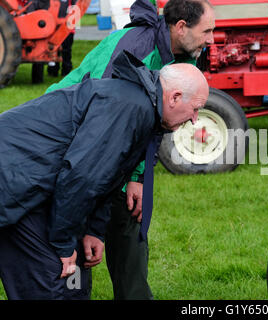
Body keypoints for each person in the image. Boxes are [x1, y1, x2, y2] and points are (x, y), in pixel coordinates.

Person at [0, 50, 209, 300]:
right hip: (14, 182)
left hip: (34, 184)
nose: (195, 120)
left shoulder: (143, 107)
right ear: (174, 97)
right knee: (55, 279)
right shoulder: (131, 106)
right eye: (195, 109)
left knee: (71, 284)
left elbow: (108, 176)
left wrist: (94, 231)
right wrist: (63, 244)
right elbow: (82, 177)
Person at [46, 0, 215, 300]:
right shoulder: (135, 48)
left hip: (116, 147)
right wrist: (127, 177)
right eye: (207, 31)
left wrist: (138, 174)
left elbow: (158, 121)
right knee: (77, 226)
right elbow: (103, 127)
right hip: (71, 139)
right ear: (180, 28)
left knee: (130, 226)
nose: (211, 39)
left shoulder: (185, 58)